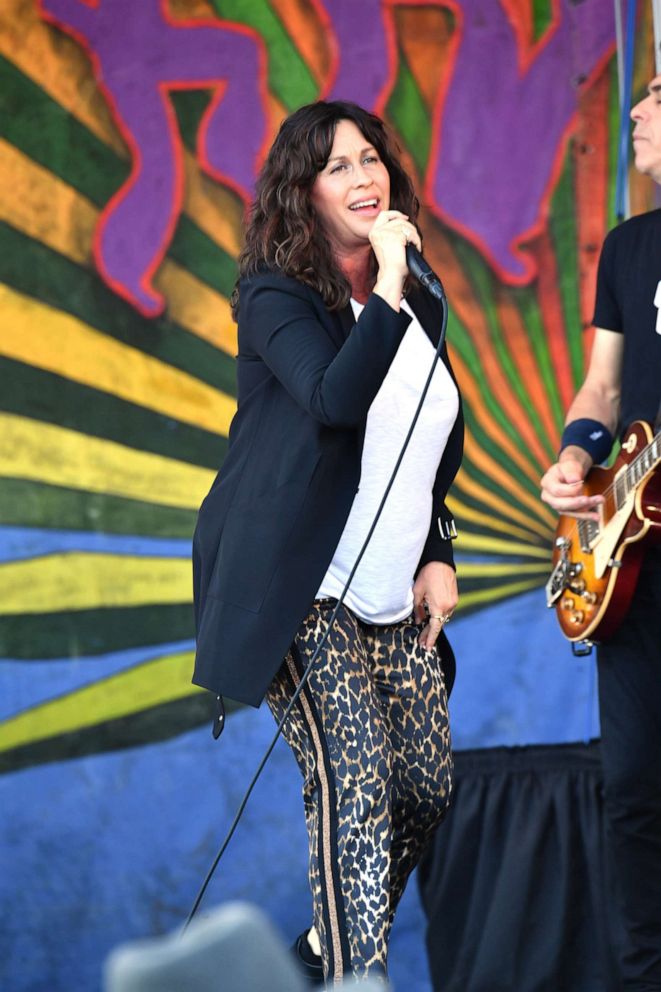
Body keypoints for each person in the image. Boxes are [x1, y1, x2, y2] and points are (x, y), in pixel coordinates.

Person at [192, 100, 464, 985]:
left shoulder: (420, 298)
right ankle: (356, 977)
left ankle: (320, 951)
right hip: (299, 587)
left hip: (389, 592)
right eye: (338, 165)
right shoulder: (277, 296)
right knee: (356, 783)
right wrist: (383, 284)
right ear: (302, 192)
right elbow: (337, 398)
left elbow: (432, 439)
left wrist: (439, 551)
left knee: (424, 788)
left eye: (371, 157)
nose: (364, 176)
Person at [541, 74, 661, 990]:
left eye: (656, 94)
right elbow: (603, 392)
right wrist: (579, 459)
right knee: (632, 796)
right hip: (637, 564)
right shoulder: (628, 248)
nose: (633, 111)